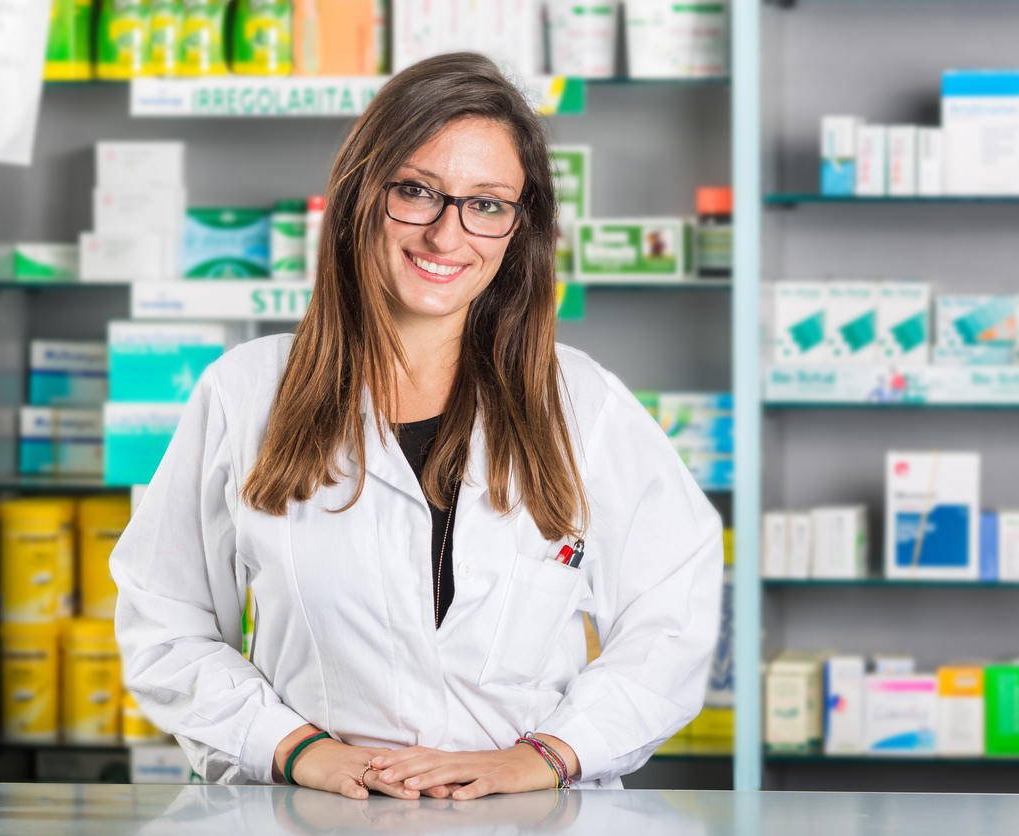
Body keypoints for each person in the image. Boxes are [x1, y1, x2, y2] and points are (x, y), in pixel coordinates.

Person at [111, 52, 723, 802]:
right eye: (416, 192)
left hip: (526, 816)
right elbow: (163, 620)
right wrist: (293, 747)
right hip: (320, 813)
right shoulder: (247, 392)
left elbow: (673, 615)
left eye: (486, 204)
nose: (446, 234)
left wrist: (549, 755)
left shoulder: (580, 403)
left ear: (517, 228)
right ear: (359, 195)